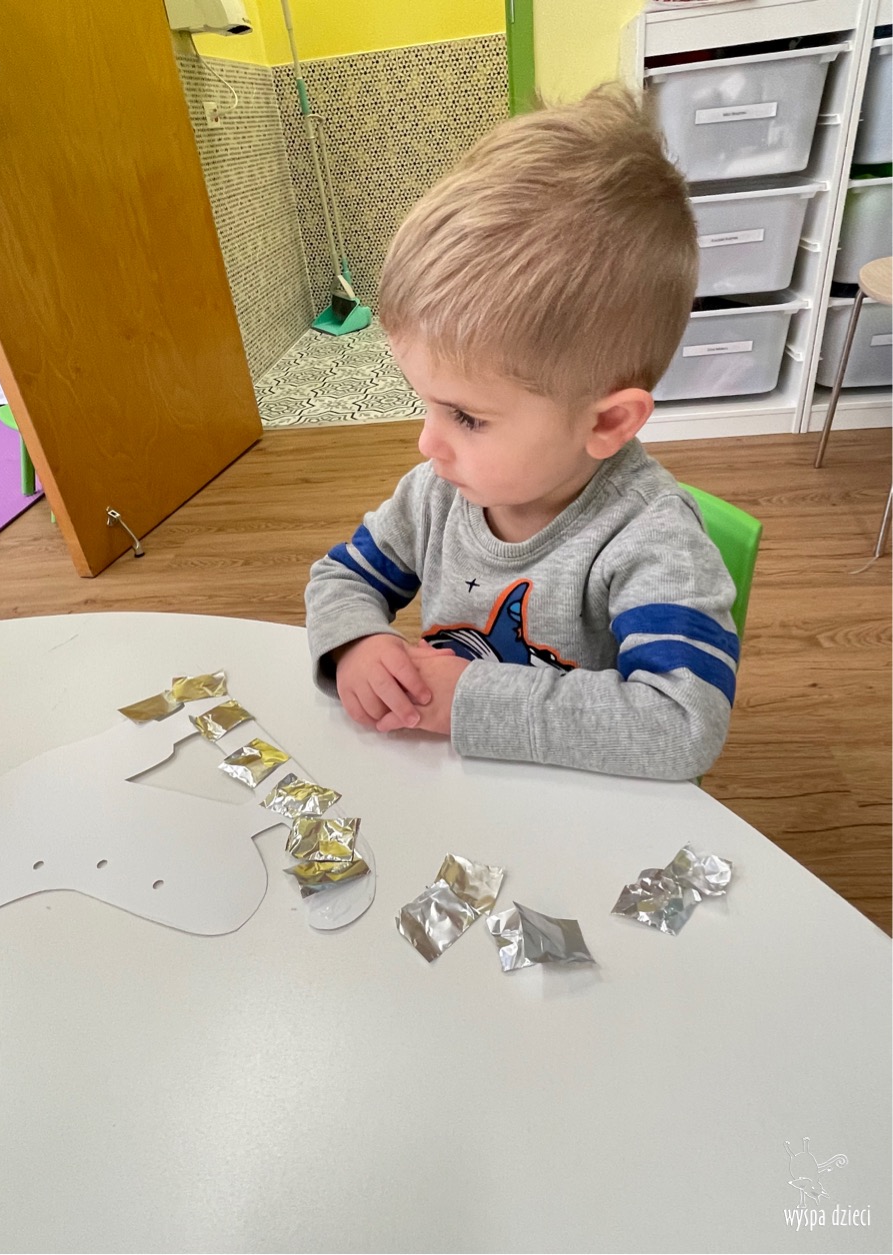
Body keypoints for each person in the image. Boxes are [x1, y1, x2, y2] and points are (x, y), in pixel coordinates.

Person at [304, 85, 740, 781]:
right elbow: (341, 576)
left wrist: (468, 699)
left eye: (467, 417)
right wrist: (353, 642)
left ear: (606, 423)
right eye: (428, 404)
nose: (427, 444)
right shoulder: (435, 495)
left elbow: (682, 724)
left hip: (577, 802)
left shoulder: (652, 538)